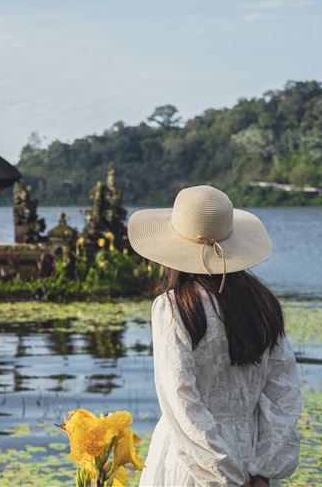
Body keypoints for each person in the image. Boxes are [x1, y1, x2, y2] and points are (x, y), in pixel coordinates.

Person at [128, 185, 301, 487]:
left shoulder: (174, 306)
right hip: (251, 452)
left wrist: (225, 474)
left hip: (194, 463)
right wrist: (263, 470)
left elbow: (181, 401)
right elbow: (285, 393)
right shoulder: (263, 304)